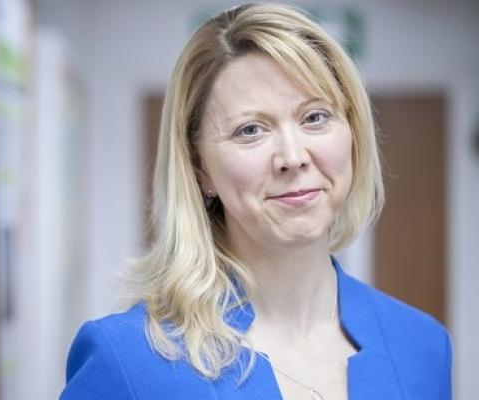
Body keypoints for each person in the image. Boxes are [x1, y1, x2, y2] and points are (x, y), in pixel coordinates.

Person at [60, 4, 452, 399]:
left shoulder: (421, 347)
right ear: (201, 169)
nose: (293, 156)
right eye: (250, 130)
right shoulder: (127, 359)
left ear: (352, 131)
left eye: (315, 117)